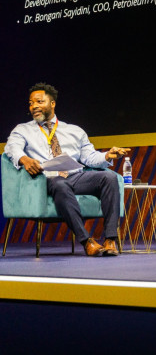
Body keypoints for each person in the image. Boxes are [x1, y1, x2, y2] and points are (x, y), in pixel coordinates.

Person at [4, 83, 131, 257]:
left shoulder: (74, 131)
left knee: (109, 178)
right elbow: (12, 148)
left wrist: (107, 155)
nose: (34, 106)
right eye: (31, 103)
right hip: (45, 180)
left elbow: (89, 157)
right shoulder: (23, 130)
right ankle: (87, 241)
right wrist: (24, 159)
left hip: (74, 177)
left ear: (52, 104)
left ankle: (110, 239)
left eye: (39, 102)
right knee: (60, 184)